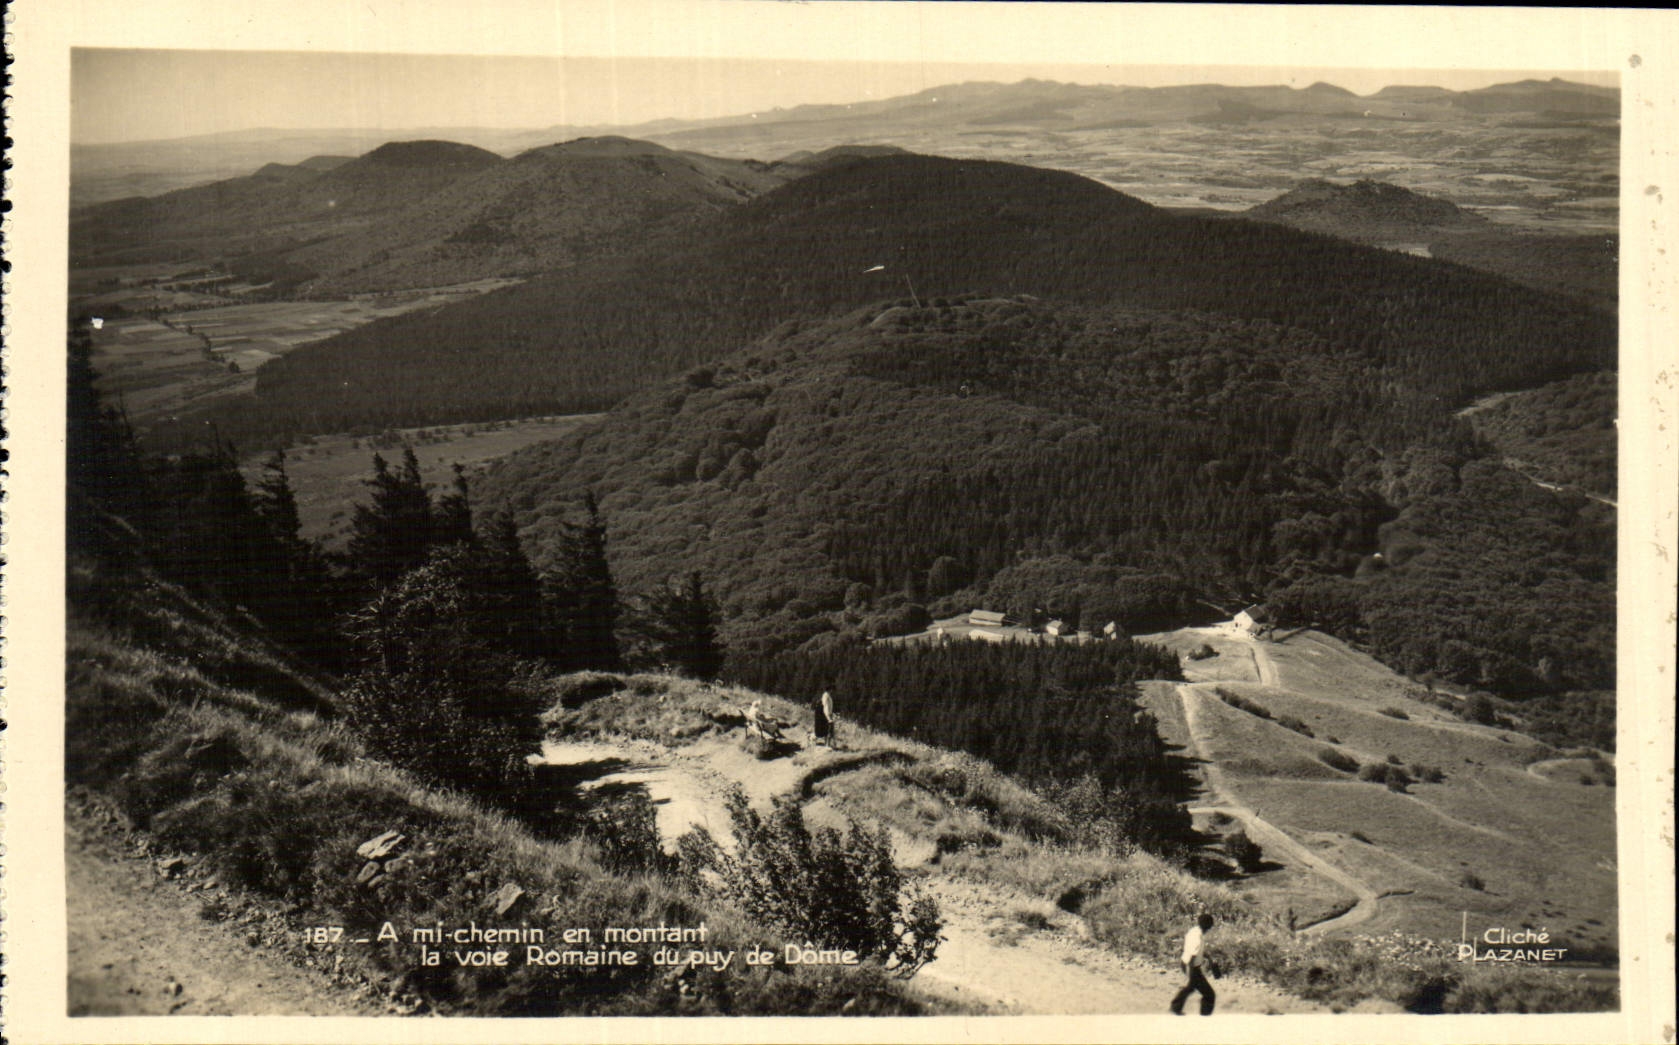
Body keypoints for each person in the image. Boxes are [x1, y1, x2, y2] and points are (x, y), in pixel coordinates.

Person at [1169, 913, 1217, 1015]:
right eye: (1210, 926)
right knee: (1209, 994)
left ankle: (1175, 1007)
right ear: (1207, 926)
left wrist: (1208, 957)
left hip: (1186, 963)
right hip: (1191, 966)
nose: (1210, 928)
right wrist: (1190, 972)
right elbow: (1192, 956)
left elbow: (1193, 950)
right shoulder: (1198, 938)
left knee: (1190, 987)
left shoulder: (1194, 931)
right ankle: (1204, 1017)